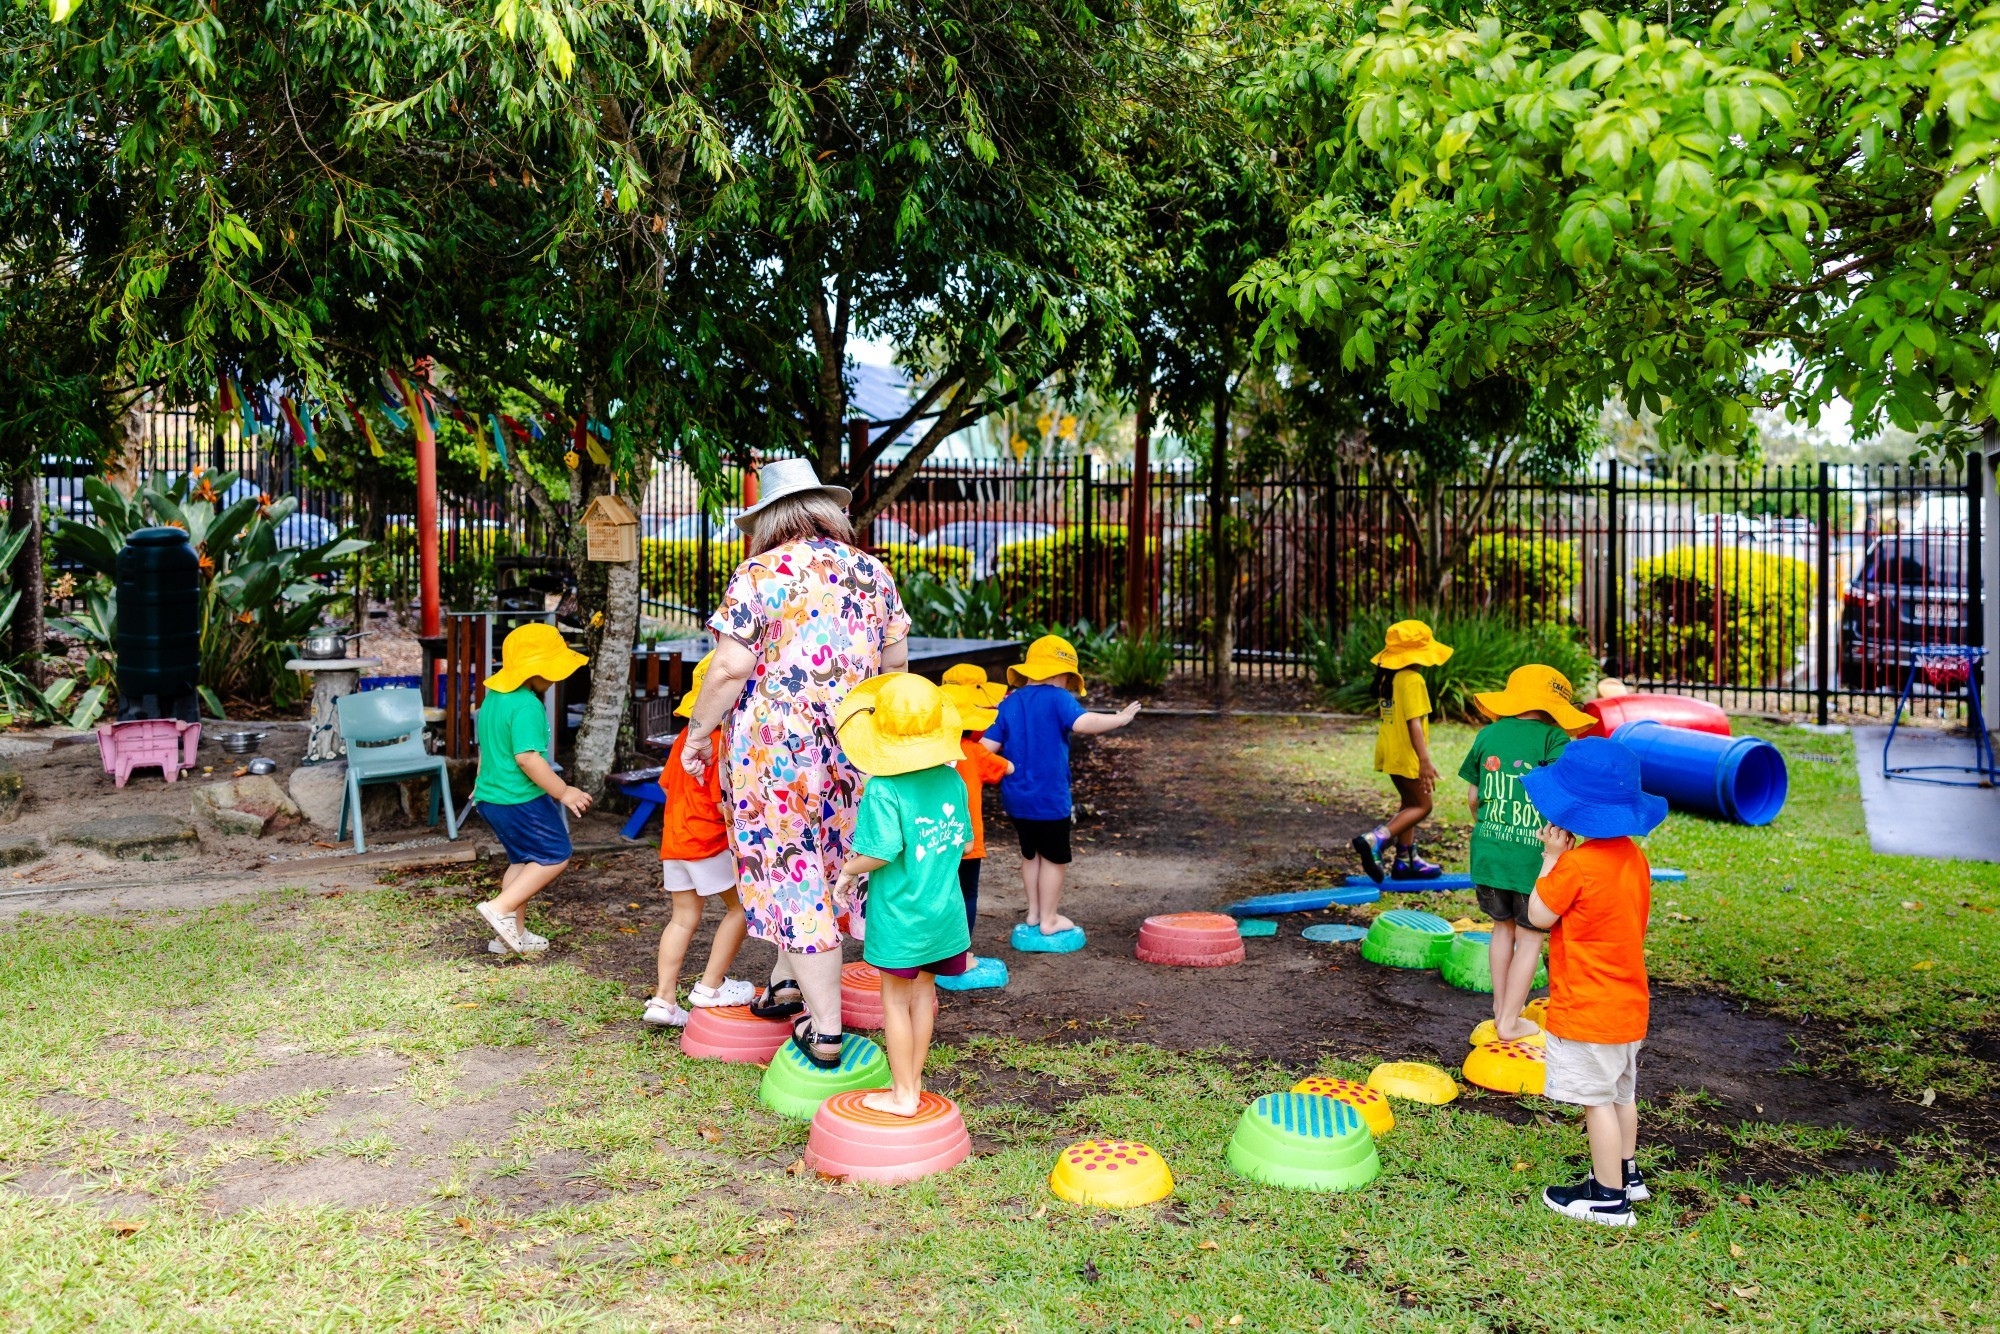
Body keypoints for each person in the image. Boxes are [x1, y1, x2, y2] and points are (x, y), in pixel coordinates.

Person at [677, 457, 909, 1069]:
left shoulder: (758, 574)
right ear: (826, 510)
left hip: (774, 752)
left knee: (788, 868)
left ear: (768, 519)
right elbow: (896, 669)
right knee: (831, 860)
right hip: (854, 741)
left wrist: (700, 735)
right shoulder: (872, 574)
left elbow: (728, 669)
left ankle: (825, 1028)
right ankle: (786, 984)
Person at [1520, 736, 1667, 1227]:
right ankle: (1628, 1174)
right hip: (1628, 1007)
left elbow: (1538, 916)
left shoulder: (1576, 865)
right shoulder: (1634, 860)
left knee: (1596, 1103)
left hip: (1587, 1010)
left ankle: (1607, 1197)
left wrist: (1550, 858)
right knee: (1622, 1096)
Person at [833, 674, 973, 1115]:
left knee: (893, 1000)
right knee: (923, 997)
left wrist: (846, 872)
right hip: (945, 913)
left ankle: (904, 1094)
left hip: (901, 917)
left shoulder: (884, 787)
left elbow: (880, 852)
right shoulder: (953, 780)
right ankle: (911, 1084)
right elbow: (966, 844)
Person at [1458, 664, 1594, 1040]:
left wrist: (1488, 826)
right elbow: (1563, 798)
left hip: (1489, 852)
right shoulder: (1555, 740)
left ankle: (1500, 1009)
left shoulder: (1488, 735)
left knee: (1500, 930)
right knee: (1531, 936)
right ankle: (1508, 1022)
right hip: (1534, 861)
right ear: (1555, 707)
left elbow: (1473, 797)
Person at [980, 634, 1140, 938]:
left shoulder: (1011, 702)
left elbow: (987, 746)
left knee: (1031, 855)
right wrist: (1118, 719)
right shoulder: (1059, 699)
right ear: (1061, 674)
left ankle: (1034, 913)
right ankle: (1050, 919)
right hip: (1049, 799)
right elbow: (1084, 723)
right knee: (1054, 858)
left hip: (1015, 799)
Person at [644, 651, 756, 1027]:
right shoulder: (721, 741)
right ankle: (710, 986)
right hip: (707, 843)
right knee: (741, 907)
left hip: (675, 842)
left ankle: (663, 999)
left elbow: (667, 784)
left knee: (682, 918)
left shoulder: (685, 738)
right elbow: (726, 804)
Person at [473, 623, 593, 954]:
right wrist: (564, 791)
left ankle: (511, 936)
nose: (557, 677)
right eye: (552, 669)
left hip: (491, 797)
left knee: (524, 861)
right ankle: (500, 908)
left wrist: (479, 782)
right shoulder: (526, 705)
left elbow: (489, 747)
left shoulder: (495, 698)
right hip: (519, 798)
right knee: (555, 854)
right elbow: (527, 758)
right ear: (536, 669)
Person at [1351, 619, 1452, 883]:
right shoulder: (1413, 680)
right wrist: (1425, 760)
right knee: (1423, 805)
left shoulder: (1391, 678)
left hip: (1390, 751)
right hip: (1407, 753)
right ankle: (1376, 839)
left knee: (1409, 803)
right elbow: (1414, 723)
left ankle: (1406, 861)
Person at [940, 664, 1012, 938]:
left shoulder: (927, 752)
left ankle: (938, 950)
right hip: (968, 838)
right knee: (967, 893)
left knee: (939, 892)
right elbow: (1008, 768)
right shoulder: (975, 751)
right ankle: (962, 950)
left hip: (933, 838)